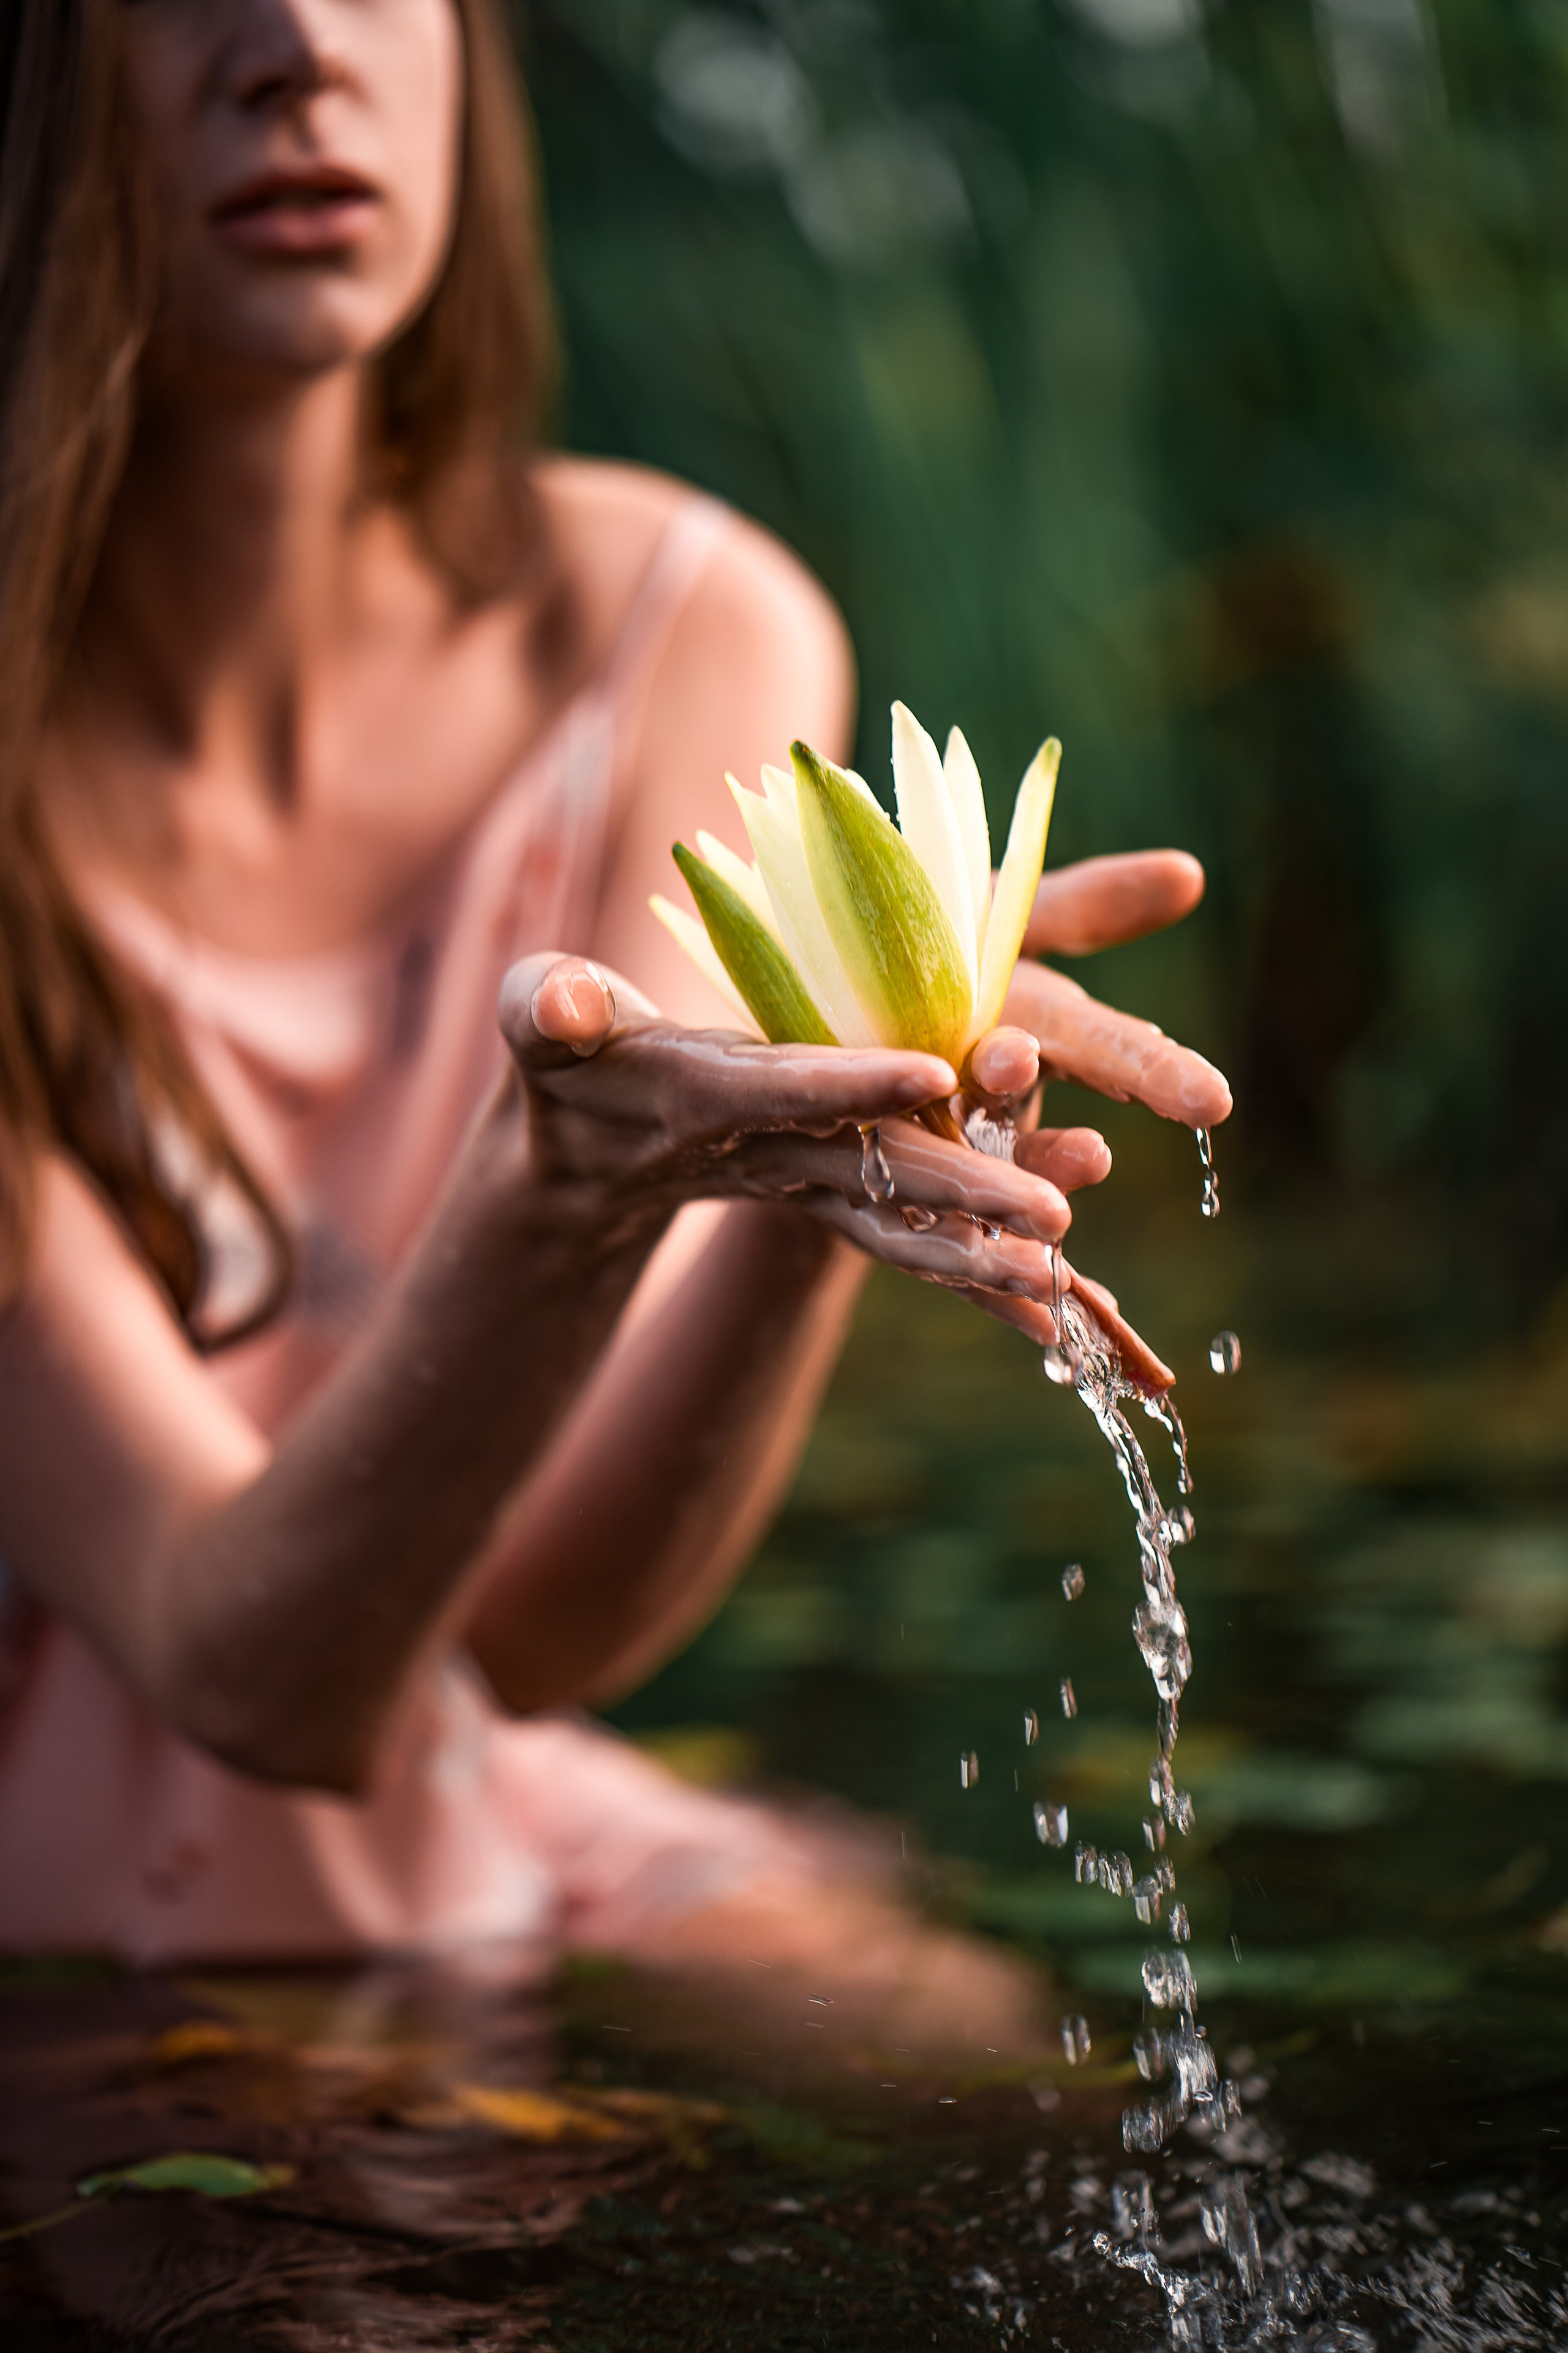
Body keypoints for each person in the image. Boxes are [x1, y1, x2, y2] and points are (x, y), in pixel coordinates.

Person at [0, 0, 1230, 1971]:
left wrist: (848, 1138)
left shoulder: (685, 635)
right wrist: (557, 1194)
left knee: (1022, 2076)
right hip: (64, 1931)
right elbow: (256, 1675)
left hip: (481, 1806)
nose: (295, 43)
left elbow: (532, 1635)